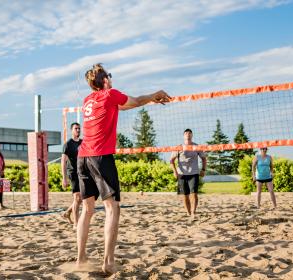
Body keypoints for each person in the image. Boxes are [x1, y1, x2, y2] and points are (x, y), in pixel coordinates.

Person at [76, 63, 171, 274]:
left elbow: (127, 105)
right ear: (106, 80)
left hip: (82, 156)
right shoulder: (110, 94)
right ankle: (108, 262)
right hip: (100, 157)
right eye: (109, 75)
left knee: (87, 210)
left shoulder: (88, 100)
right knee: (112, 209)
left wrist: (150, 100)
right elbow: (134, 101)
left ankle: (80, 258)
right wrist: (155, 93)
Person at [170, 129, 207, 217]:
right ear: (183, 136)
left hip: (193, 173)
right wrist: (175, 172)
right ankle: (188, 212)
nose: (188, 134)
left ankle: (193, 212)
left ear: (192, 135)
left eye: (190, 133)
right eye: (186, 133)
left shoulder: (196, 146)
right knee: (185, 195)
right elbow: (171, 160)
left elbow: (204, 159)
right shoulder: (179, 147)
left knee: (194, 194)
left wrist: (203, 169)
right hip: (182, 174)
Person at [61, 122, 82, 229]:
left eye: (79, 128)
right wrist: (64, 178)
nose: (78, 130)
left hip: (82, 173)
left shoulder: (83, 143)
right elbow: (63, 161)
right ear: (71, 130)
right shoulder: (68, 144)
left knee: (81, 199)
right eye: (76, 128)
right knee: (77, 198)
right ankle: (76, 224)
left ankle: (68, 213)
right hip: (72, 173)